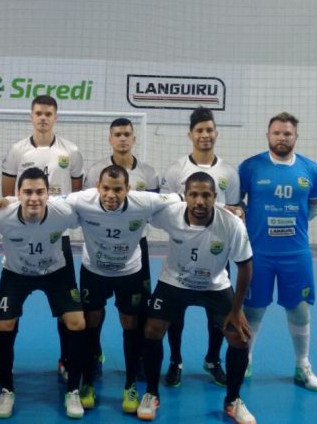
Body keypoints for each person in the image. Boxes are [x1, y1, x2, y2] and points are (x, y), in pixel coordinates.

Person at [138, 172, 256, 423]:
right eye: (193, 195)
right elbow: (140, 210)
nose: (199, 201)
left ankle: (233, 400)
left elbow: (246, 267)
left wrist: (237, 310)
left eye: (206, 195)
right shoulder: (171, 214)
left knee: (239, 337)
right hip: (174, 281)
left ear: (215, 197)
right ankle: (151, 393)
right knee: (152, 329)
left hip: (214, 285)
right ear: (185, 196)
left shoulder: (231, 223)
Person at [66, 165, 173, 414]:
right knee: (91, 322)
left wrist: (227, 208)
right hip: (94, 271)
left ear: (128, 189)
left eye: (117, 189)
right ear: (97, 187)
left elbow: (179, 199)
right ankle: (88, 382)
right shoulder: (82, 200)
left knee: (130, 323)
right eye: (105, 188)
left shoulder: (144, 201)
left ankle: (130, 385)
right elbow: (48, 201)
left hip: (129, 272)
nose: (111, 195)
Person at [0, 168, 86, 419]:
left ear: (48, 194)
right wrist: (0, 202)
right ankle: (7, 389)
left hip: (55, 271)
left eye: (40, 192)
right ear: (18, 194)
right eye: (27, 192)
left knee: (77, 322)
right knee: (5, 324)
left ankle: (73, 390)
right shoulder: (3, 216)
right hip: (16, 273)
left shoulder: (62, 212)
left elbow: (85, 205)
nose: (34, 198)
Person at [238, 112, 317, 392]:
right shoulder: (250, 167)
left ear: (295, 136)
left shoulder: (311, 170)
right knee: (253, 310)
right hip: (258, 253)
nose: (282, 138)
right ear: (268, 135)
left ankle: (302, 365)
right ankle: (245, 360)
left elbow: (313, 208)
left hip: (295, 253)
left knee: (299, 309)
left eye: (287, 133)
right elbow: (237, 204)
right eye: (276, 133)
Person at [1, 95, 83, 383]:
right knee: (8, 315)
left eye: (48, 113)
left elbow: (75, 196)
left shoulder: (71, 151)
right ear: (31, 116)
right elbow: (9, 195)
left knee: (67, 312)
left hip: (57, 236)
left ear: (56, 116)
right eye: (38, 113)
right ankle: (4, 367)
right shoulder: (17, 151)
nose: (43, 118)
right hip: (23, 236)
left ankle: (66, 361)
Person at [159, 107, 242, 388]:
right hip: (182, 250)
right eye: (199, 130)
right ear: (190, 135)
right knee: (176, 312)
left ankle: (213, 359)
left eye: (209, 130)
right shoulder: (175, 170)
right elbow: (166, 208)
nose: (204, 135)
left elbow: (235, 211)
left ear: (216, 133)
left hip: (217, 252)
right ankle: (175, 360)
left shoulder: (228, 172)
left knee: (217, 314)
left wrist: (231, 210)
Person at [83, 117, 159, 383]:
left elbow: (158, 208)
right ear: (110, 139)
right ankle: (94, 355)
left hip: (136, 246)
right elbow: (86, 206)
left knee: (138, 308)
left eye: (127, 134)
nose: (123, 138)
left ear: (134, 138)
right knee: (93, 310)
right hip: (100, 246)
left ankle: (138, 359)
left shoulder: (148, 173)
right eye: (118, 134)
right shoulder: (96, 171)